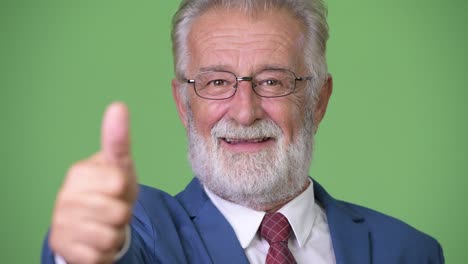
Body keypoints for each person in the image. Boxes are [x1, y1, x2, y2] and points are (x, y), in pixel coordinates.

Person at [42, 0, 444, 263]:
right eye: (216, 82)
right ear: (184, 104)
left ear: (318, 100)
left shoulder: (410, 251)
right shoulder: (141, 231)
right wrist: (85, 253)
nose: (245, 111)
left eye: (272, 81)